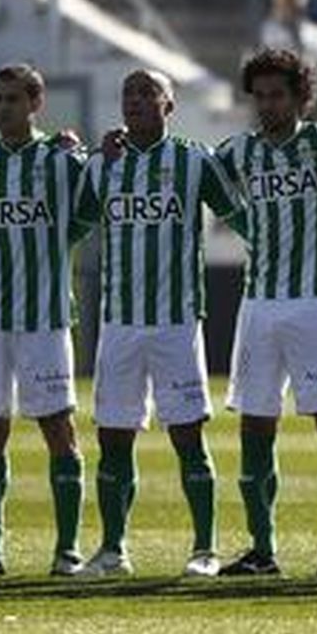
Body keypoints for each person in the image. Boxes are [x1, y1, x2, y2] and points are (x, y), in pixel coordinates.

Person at [74, 70, 245, 578]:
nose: (135, 101)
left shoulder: (194, 160)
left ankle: (205, 549)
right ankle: (112, 550)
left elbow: (239, 216)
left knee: (188, 436)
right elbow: (75, 223)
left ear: (169, 105)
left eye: (147, 93)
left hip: (176, 323)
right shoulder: (103, 164)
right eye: (128, 93)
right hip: (119, 323)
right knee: (113, 437)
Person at [215, 49, 317, 577]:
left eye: (277, 95)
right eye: (259, 96)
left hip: (315, 304)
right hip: (258, 305)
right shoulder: (239, 151)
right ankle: (263, 551)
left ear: (302, 97)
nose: (267, 105)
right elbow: (197, 176)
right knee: (255, 426)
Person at [0, 65, 92, 577]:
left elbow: (93, 203)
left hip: (43, 318)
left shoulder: (62, 160)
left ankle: (67, 550)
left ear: (36, 103)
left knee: (58, 428)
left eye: (12, 99)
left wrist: (59, 241)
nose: (3, 108)